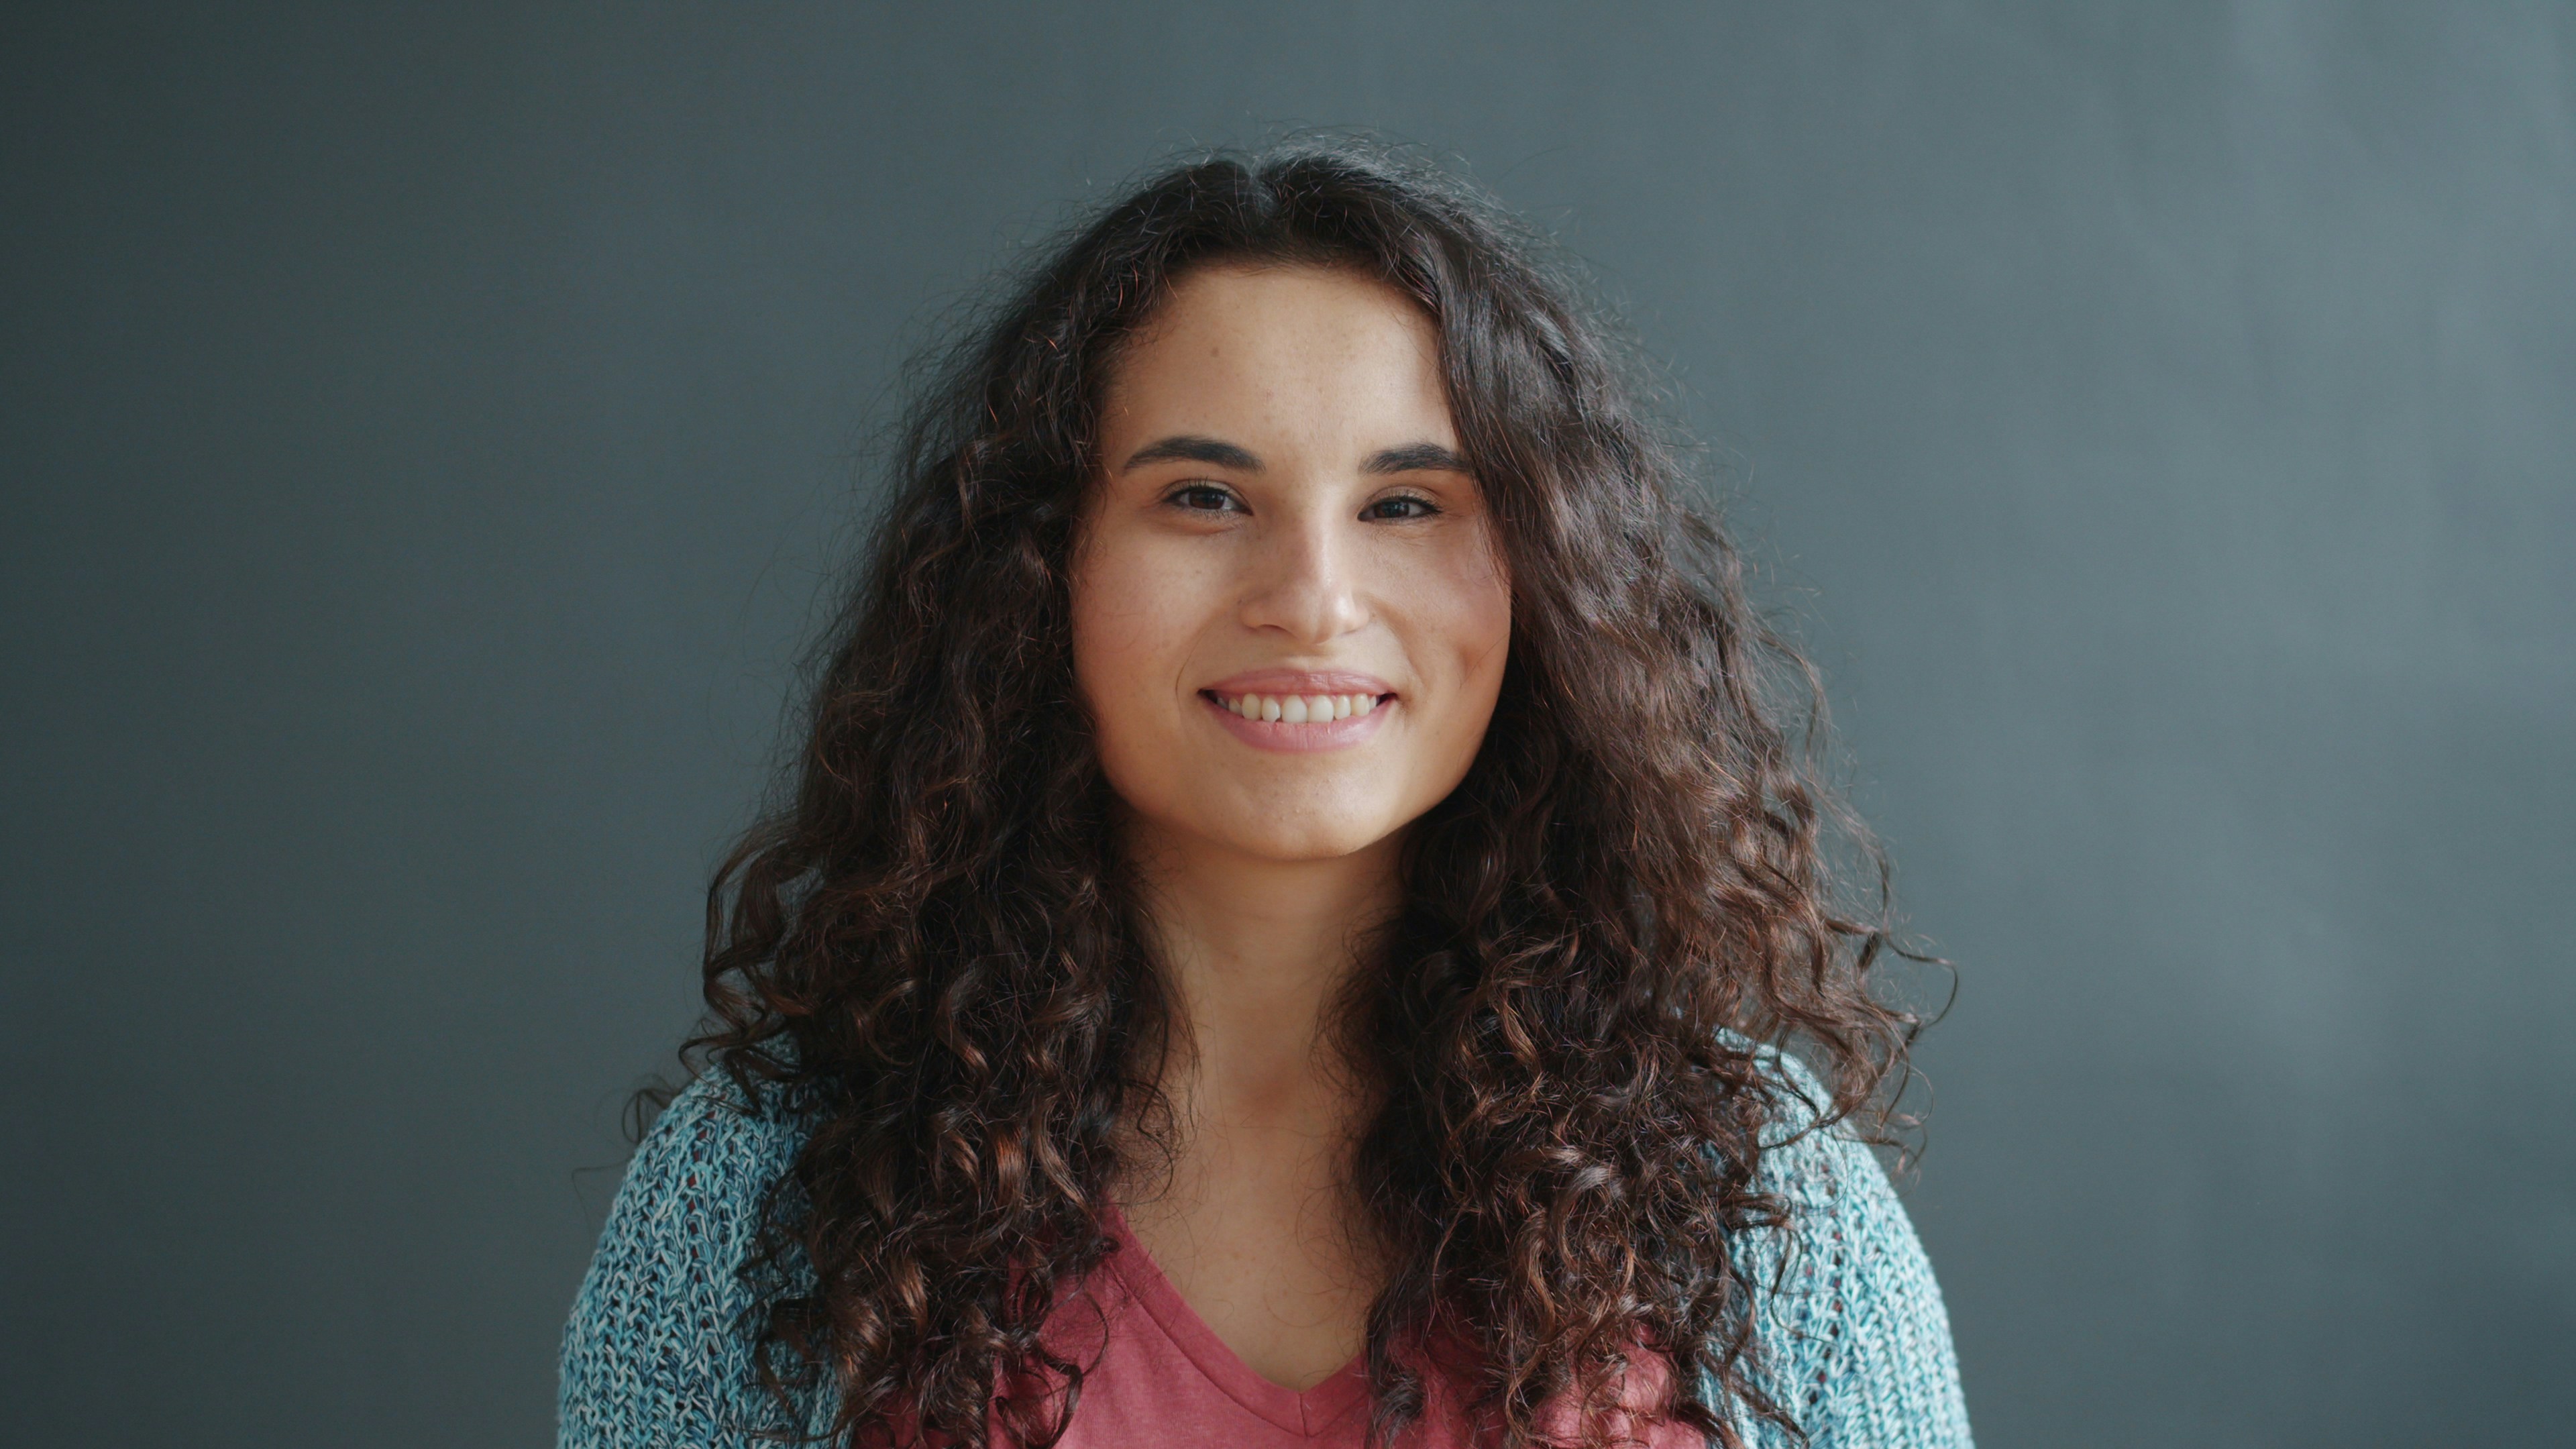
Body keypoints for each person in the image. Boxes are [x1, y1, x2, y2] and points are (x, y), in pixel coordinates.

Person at [557, 140, 1972, 1449]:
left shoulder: (1758, 1200)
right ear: (1043, 573)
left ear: (1544, 579)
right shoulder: (763, 1198)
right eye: (1203, 500)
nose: (1311, 598)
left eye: (1407, 505)